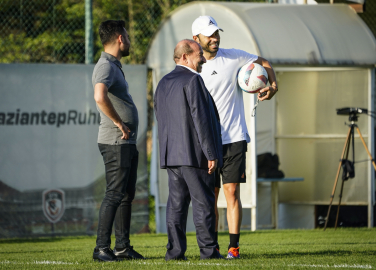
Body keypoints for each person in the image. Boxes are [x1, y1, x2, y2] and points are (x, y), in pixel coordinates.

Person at [192, 15, 278, 259]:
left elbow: (264, 62)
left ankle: (234, 248)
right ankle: (213, 246)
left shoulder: (234, 56)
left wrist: (273, 86)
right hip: (206, 143)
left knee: (231, 193)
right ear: (196, 38)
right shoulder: (192, 68)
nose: (215, 38)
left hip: (234, 138)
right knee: (212, 197)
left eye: (216, 33)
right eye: (209, 34)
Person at [154, 39, 223, 261]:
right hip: (194, 155)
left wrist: (166, 152)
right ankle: (209, 252)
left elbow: (161, 119)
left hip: (172, 155)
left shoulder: (163, 83)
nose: (202, 58)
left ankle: (174, 253)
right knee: (203, 205)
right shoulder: (193, 80)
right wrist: (211, 153)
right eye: (198, 55)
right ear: (184, 57)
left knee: (176, 207)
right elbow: (201, 120)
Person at [92, 20, 144, 262]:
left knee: (125, 195)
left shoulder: (114, 65)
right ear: (120, 39)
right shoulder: (105, 65)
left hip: (127, 142)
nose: (129, 40)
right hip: (116, 141)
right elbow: (99, 96)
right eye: (127, 36)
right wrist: (118, 123)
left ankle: (122, 248)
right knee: (115, 193)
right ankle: (101, 249)